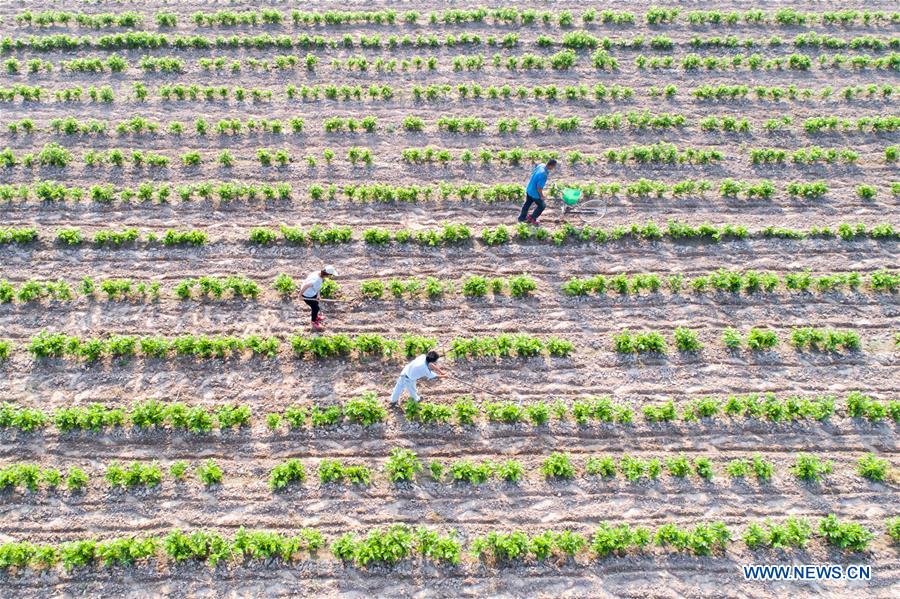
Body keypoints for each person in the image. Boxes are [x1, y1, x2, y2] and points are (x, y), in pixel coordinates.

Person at [518, 158, 556, 226]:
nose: (553, 168)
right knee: (542, 206)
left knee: (527, 203)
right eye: (554, 166)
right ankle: (532, 218)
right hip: (535, 193)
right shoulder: (544, 175)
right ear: (551, 165)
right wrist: (542, 196)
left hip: (529, 188)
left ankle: (521, 218)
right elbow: (539, 188)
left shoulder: (541, 165)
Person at [299, 265, 337, 330]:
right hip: (307, 295)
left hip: (312, 292)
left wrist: (318, 295)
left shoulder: (318, 273)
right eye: (331, 275)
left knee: (316, 304)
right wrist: (300, 295)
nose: (331, 276)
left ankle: (316, 316)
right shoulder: (316, 280)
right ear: (327, 274)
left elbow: (318, 286)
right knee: (315, 308)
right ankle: (313, 321)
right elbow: (306, 285)